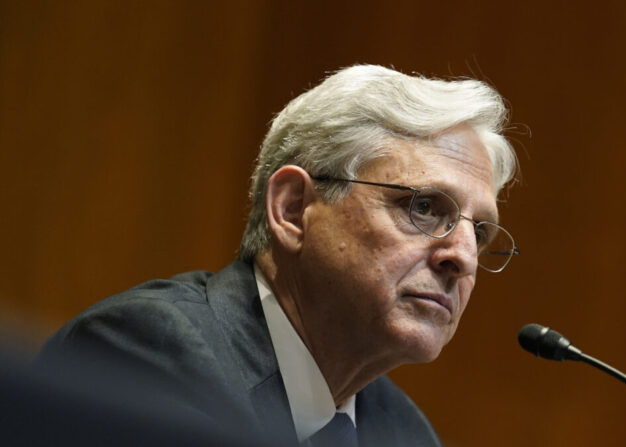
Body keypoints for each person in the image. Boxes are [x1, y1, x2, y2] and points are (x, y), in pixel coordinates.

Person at [37, 65, 519, 446]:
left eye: (479, 231)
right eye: (423, 207)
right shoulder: (152, 355)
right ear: (292, 208)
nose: (463, 257)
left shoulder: (404, 433)